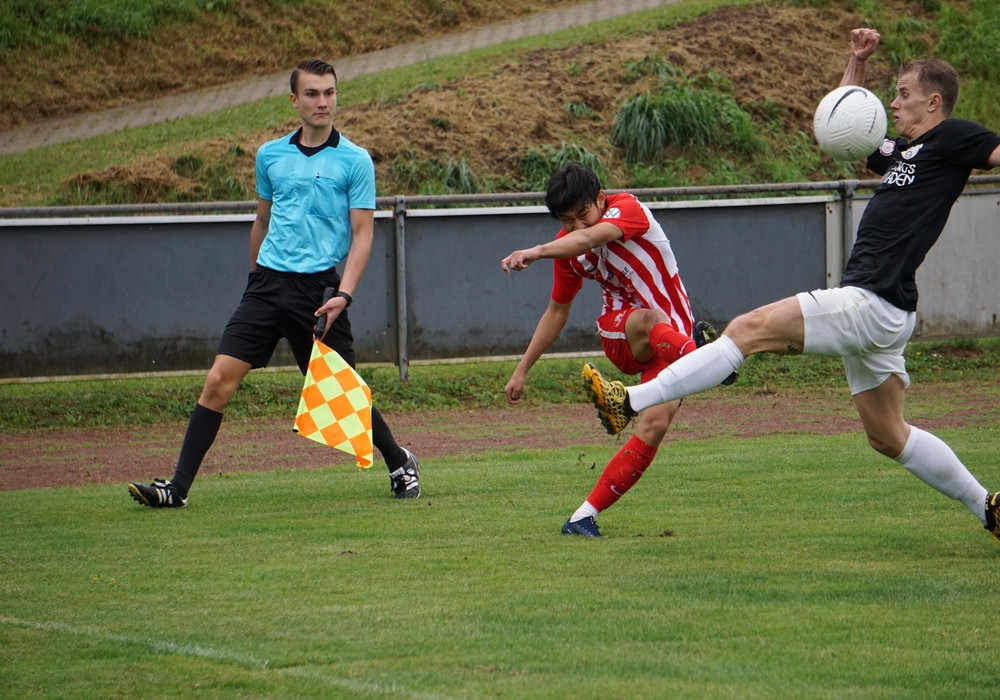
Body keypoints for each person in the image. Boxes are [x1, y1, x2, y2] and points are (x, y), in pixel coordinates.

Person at [583, 27, 1000, 540]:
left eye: (903, 94)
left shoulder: (953, 136)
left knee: (746, 329)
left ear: (933, 102)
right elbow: (843, 123)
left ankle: (628, 400)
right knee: (889, 436)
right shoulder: (904, 152)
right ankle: (989, 508)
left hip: (869, 301)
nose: (893, 103)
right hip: (885, 308)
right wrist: (856, 63)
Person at [128, 58, 420, 507]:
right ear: (294, 100)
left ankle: (399, 461)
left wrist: (344, 294)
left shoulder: (356, 160)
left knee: (338, 395)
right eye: (312, 93)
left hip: (318, 292)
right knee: (218, 381)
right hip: (266, 287)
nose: (322, 102)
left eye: (329, 92)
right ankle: (177, 490)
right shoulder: (270, 155)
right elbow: (261, 223)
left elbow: (363, 235)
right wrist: (254, 283)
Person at [501, 162, 726, 537]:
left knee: (655, 425)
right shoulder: (566, 248)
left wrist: (538, 250)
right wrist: (521, 370)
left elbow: (590, 238)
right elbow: (557, 310)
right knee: (652, 319)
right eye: (567, 221)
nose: (578, 227)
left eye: (583, 214)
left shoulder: (629, 208)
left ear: (601, 199)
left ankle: (582, 517)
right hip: (623, 334)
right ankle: (704, 358)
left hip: (671, 342)